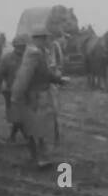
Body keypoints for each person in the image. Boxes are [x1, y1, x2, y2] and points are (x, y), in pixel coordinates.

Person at [12, 28, 69, 165]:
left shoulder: (42, 52)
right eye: (43, 38)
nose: (46, 40)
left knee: (42, 127)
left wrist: (58, 80)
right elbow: (24, 77)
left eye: (46, 38)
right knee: (34, 127)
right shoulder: (33, 54)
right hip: (35, 96)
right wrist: (17, 95)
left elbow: (45, 74)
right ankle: (38, 158)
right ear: (37, 39)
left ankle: (41, 156)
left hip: (43, 94)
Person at [0, 34, 29, 142]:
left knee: (23, 115)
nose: (21, 48)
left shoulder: (29, 58)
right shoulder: (7, 58)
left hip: (26, 91)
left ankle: (15, 136)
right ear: (14, 46)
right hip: (10, 91)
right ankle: (22, 136)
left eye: (23, 46)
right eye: (19, 46)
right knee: (15, 116)